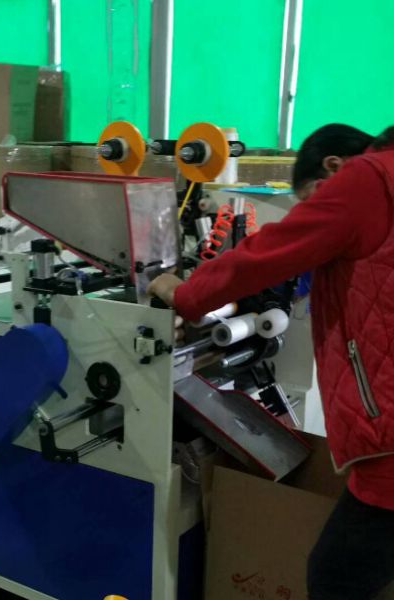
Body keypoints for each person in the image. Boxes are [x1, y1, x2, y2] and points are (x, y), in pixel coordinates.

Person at [148, 124, 394, 600]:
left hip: (389, 447)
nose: (313, 212)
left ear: (334, 168)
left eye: (313, 200)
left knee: (334, 579)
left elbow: (268, 254)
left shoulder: (368, 178)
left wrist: (186, 293)